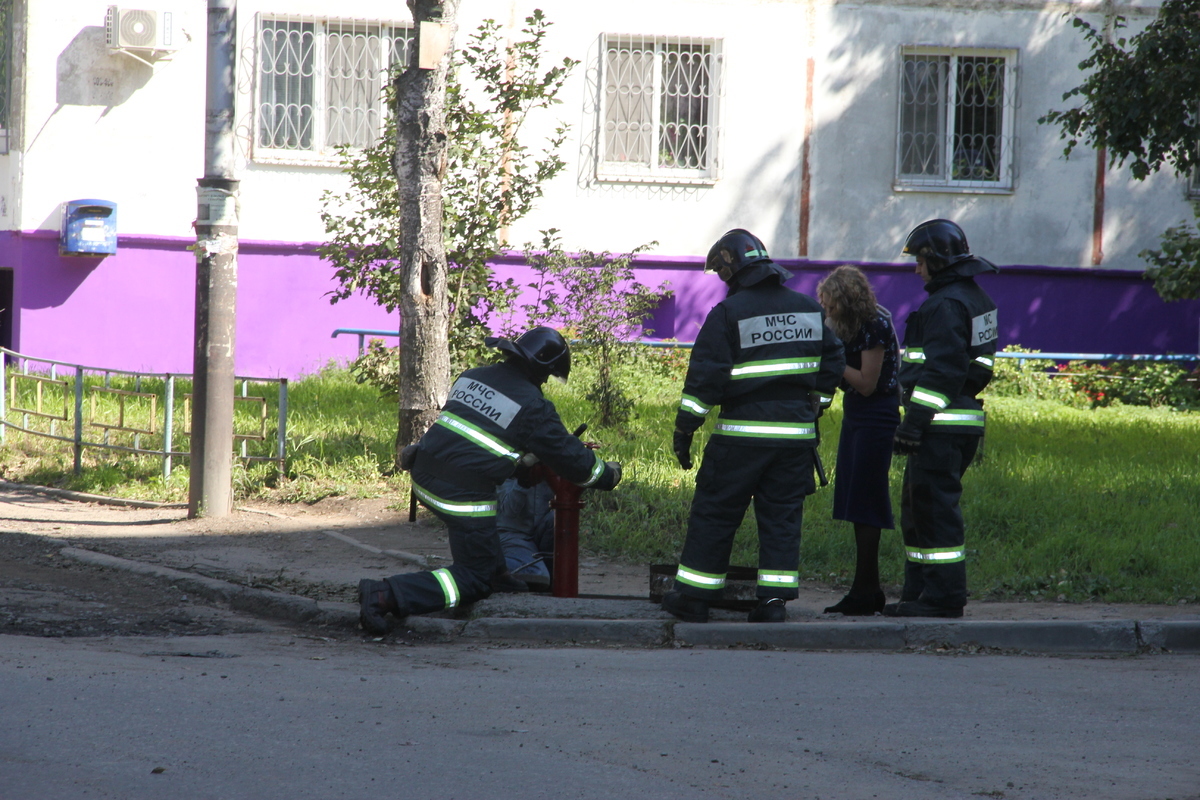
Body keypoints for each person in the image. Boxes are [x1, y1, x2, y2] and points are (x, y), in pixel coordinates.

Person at [357, 326, 622, 633]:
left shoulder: (472, 376)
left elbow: (477, 439)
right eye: (548, 376)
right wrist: (609, 474)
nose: (545, 383)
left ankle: (498, 574)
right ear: (542, 369)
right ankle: (386, 595)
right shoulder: (533, 406)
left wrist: (519, 463)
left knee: (485, 557)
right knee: (474, 579)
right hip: (461, 496)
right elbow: (576, 463)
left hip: (424, 476)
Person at [661, 229, 845, 623]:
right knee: (781, 518)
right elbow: (833, 362)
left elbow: (704, 381)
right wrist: (818, 405)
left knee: (716, 510)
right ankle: (773, 604)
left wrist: (685, 430)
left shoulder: (729, 313)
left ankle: (694, 599)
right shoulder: (807, 309)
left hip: (741, 438)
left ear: (732, 269)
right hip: (795, 439)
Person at [884, 219, 998, 618]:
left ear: (936, 258)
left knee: (933, 510)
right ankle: (919, 592)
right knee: (920, 510)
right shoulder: (975, 299)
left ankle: (944, 597)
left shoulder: (946, 304)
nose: (916, 269)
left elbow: (944, 370)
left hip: (939, 423)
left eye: (919, 260)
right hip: (958, 420)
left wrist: (914, 422)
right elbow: (974, 367)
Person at [816, 265, 901, 615]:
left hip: (876, 414)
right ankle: (867, 589)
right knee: (856, 499)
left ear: (848, 302)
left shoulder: (874, 324)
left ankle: (865, 592)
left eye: (832, 306)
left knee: (866, 500)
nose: (827, 312)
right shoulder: (845, 322)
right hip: (857, 414)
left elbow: (866, 382)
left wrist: (833, 361)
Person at [495, 476, 555, 589]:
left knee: (558, 519)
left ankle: (550, 573)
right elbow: (509, 512)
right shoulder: (509, 464)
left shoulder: (551, 467)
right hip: (514, 534)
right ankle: (484, 564)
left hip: (541, 532)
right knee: (538, 574)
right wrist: (524, 481)